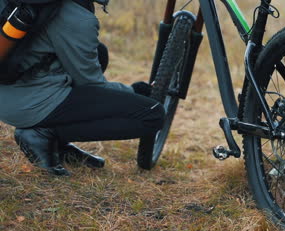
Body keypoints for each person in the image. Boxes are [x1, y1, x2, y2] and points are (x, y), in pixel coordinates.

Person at [0, 0, 165, 176]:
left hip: (10, 89)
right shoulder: (77, 19)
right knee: (152, 115)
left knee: (99, 53)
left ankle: (55, 143)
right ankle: (44, 134)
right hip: (27, 105)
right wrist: (134, 91)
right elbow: (93, 85)